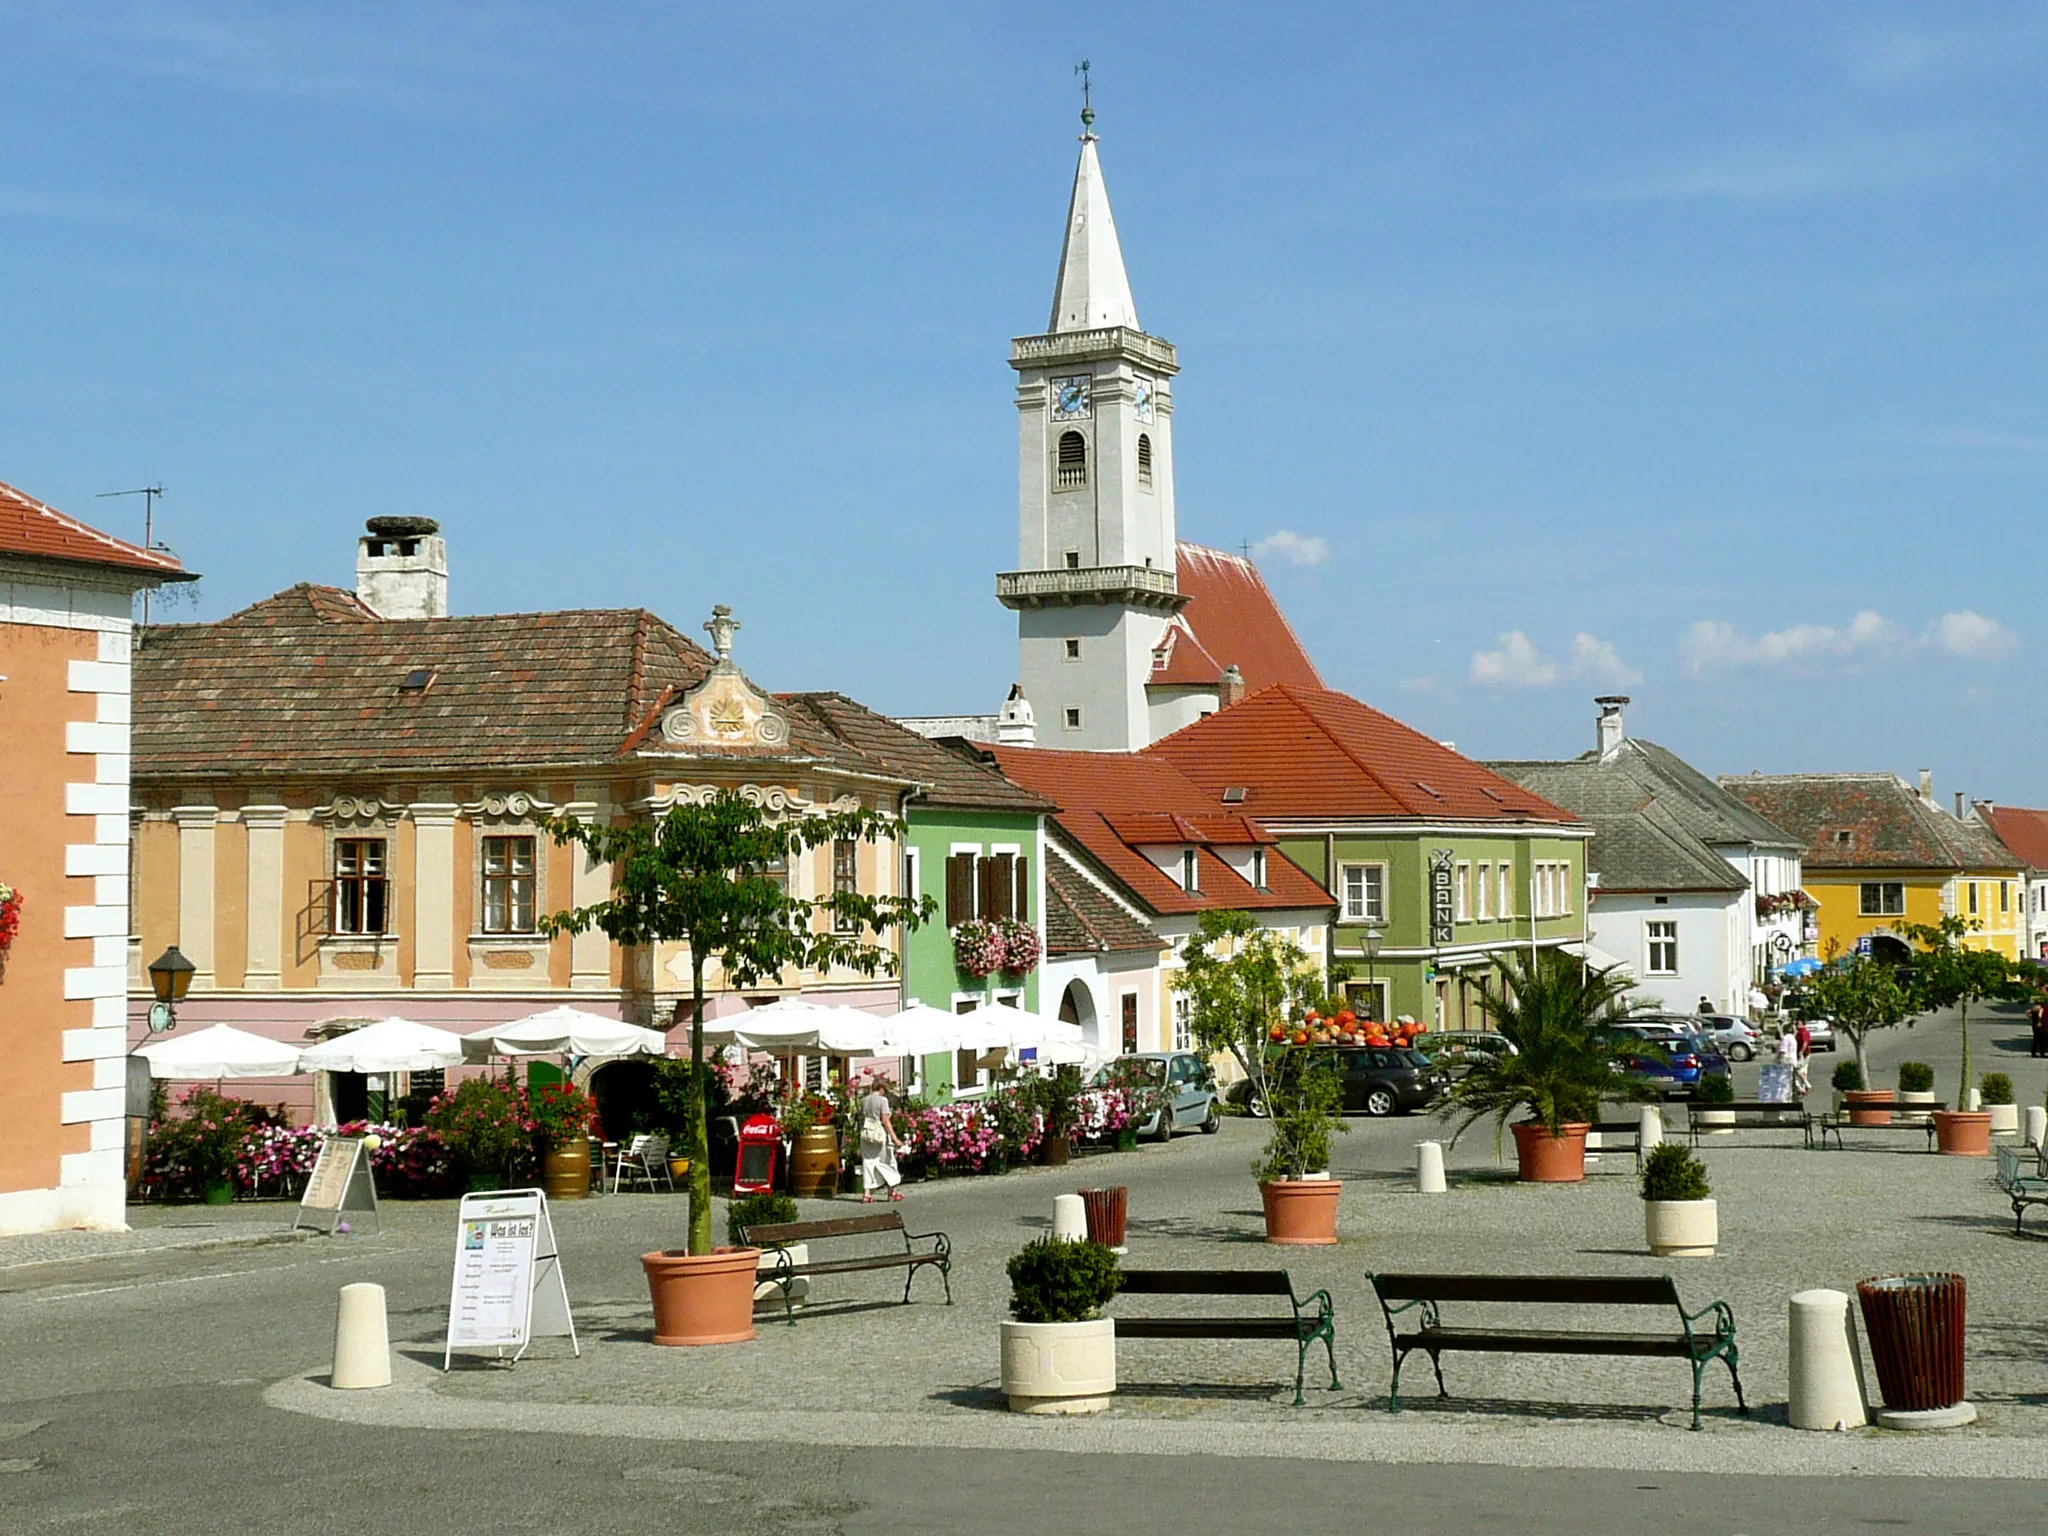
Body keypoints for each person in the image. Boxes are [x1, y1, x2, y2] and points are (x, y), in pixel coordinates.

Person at [858, 1083, 903, 1203]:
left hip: (866, 1133)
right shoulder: (882, 1100)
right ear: (881, 1088)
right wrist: (895, 1138)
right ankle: (891, 1192)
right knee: (887, 1161)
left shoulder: (864, 1100)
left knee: (868, 1162)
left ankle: (867, 1194)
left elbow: (860, 1118)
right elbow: (885, 1121)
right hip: (879, 1133)